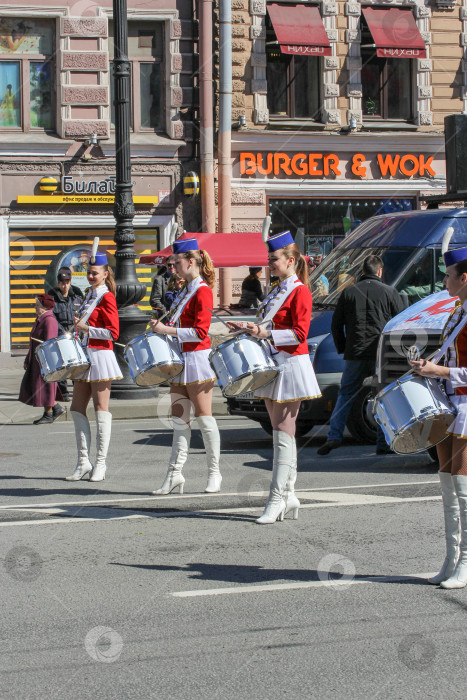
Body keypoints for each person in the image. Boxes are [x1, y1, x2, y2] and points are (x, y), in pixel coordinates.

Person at [241, 230, 320, 524]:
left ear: (290, 260)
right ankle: (289, 495)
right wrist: (254, 328)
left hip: (291, 365)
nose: (269, 264)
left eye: (273, 259)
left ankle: (276, 499)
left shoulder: (300, 291)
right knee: (279, 433)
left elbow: (300, 334)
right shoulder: (277, 289)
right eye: (269, 259)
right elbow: (270, 325)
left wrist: (266, 332)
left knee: (284, 432)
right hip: (274, 363)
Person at [410, 246, 467, 589]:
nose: (443, 280)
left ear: (464, 278)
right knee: (446, 476)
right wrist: (426, 368)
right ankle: (452, 557)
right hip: (449, 403)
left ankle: (466, 562)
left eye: (447, 275)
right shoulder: (456, 312)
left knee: (462, 480)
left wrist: (440, 370)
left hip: (466, 404)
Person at [149, 238, 221, 495]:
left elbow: (201, 332)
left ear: (190, 261)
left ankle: (214, 473)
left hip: (198, 361)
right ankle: (174, 474)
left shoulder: (202, 291)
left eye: (176, 262)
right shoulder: (185, 290)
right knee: (179, 421)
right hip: (181, 360)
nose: (173, 266)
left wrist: (166, 329)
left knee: (204, 418)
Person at [318, 255, 404, 456]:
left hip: (355, 352)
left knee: (345, 394)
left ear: (362, 272)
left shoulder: (348, 293)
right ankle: (383, 443)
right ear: (380, 271)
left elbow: (336, 325)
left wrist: (343, 348)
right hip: (380, 354)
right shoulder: (390, 292)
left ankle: (334, 436)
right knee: (381, 396)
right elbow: (400, 324)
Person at [65, 246, 122, 482]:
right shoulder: (89, 294)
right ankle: (83, 462)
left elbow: (113, 333)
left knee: (101, 409)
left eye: (95, 273)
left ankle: (101, 463)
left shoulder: (106, 296)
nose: (90, 276)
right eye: (89, 272)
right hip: (85, 356)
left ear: (105, 274)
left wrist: (86, 327)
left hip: (101, 356)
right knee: (77, 409)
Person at [19, 294, 65, 424]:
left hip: (45, 360)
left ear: (44, 307)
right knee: (41, 386)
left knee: (45, 386)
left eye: (37, 305)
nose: (35, 308)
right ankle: (55, 408)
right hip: (38, 359)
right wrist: (28, 358)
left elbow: (49, 342)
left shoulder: (49, 320)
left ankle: (49, 413)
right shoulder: (41, 319)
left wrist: (43, 360)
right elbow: (34, 341)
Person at [50, 267, 83, 401]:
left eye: (67, 282)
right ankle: (63, 393)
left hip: (75, 337)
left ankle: (79, 392)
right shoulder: (53, 300)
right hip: (61, 336)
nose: (65, 285)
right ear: (58, 284)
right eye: (62, 283)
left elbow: (82, 316)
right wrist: (62, 333)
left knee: (77, 365)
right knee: (63, 366)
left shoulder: (77, 298)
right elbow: (52, 319)